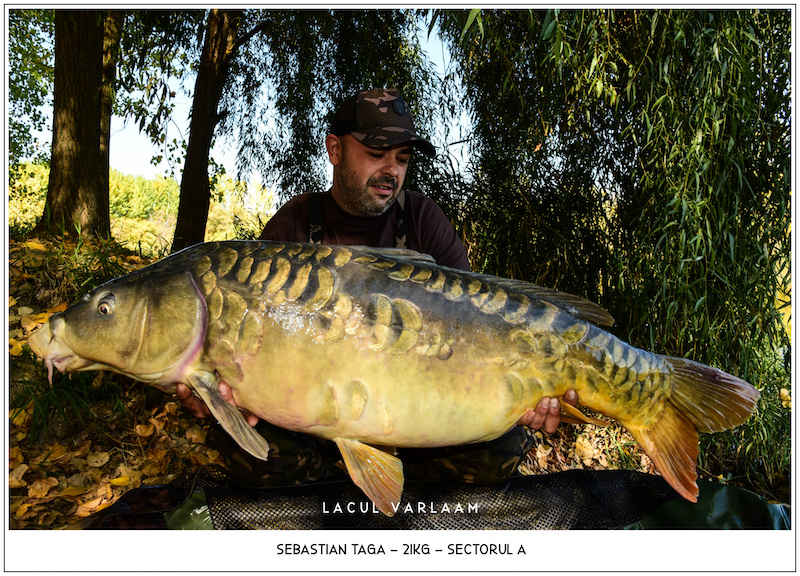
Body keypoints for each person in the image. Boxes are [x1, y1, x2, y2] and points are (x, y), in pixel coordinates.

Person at [177, 88, 577, 485]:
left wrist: (530, 388)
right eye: (376, 154)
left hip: (416, 420)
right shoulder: (294, 226)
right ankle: (332, 505)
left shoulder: (423, 220)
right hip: (312, 425)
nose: (392, 170)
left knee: (500, 450)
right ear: (334, 149)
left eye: (402, 159)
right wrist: (215, 393)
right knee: (244, 445)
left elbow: (476, 324)